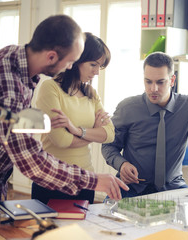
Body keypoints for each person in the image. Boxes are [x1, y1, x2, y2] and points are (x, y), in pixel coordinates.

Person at [0, 15, 128, 218]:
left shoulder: (13, 56)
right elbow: (32, 161)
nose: (70, 67)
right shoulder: (9, 88)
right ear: (51, 57)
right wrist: (94, 180)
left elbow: (0, 117)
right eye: (70, 62)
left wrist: (45, 124)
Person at [102, 52, 188, 200]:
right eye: (148, 82)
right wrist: (122, 164)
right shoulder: (127, 108)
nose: (153, 89)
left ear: (172, 80)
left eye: (160, 82)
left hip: (173, 186)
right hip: (130, 187)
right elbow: (108, 146)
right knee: (107, 219)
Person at [31, 32, 114, 204]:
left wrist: (76, 130)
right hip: (53, 179)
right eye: (93, 64)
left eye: (100, 66)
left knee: (82, 231)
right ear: (77, 60)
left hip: (86, 180)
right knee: (50, 231)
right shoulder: (50, 88)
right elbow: (60, 139)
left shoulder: (91, 93)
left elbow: (110, 134)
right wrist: (92, 135)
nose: (97, 72)